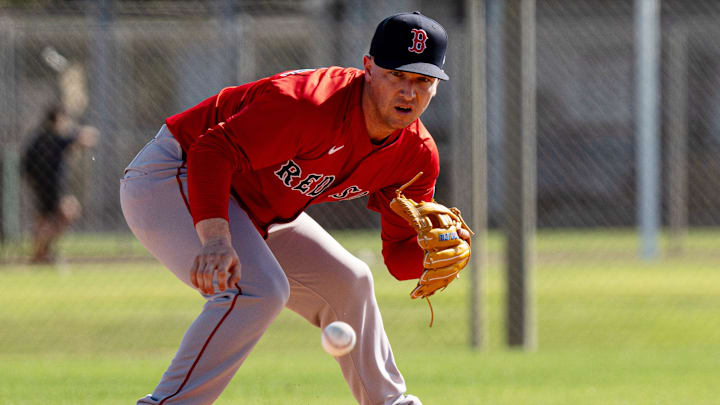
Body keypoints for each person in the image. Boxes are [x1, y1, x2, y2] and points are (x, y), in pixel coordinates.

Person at [120, 11, 470, 405]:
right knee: (258, 290)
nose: (409, 93)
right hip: (175, 174)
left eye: (423, 81)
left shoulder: (416, 157)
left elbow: (398, 261)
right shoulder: (310, 104)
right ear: (368, 67)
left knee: (351, 281)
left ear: (437, 87)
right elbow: (211, 151)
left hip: (260, 211)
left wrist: (434, 251)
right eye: (396, 75)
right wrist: (216, 239)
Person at [21, 105, 98, 264]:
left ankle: (42, 254)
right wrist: (73, 128)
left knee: (44, 221)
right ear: (58, 120)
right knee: (68, 212)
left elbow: (25, 166)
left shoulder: (37, 139)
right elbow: (89, 137)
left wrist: (34, 182)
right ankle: (39, 253)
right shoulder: (56, 137)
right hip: (53, 186)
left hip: (39, 186)